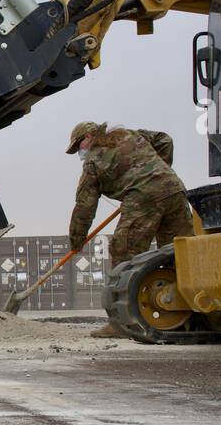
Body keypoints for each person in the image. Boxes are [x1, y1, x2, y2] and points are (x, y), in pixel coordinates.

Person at [66, 121, 193, 337]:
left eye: (79, 145)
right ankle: (190, 317)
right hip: (174, 189)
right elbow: (165, 139)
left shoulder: (93, 162)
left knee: (124, 254)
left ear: (89, 136)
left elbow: (84, 206)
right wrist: (158, 170)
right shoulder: (130, 134)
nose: (80, 151)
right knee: (180, 254)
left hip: (143, 198)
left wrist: (76, 240)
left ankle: (121, 324)